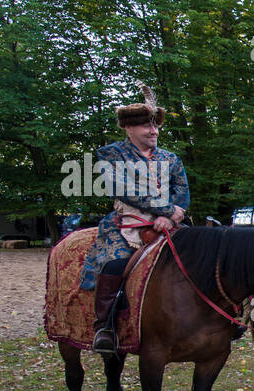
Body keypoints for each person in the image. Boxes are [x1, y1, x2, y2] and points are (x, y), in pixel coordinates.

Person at [80, 83, 190, 354]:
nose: (153, 131)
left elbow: (182, 191)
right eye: (146, 126)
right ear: (129, 128)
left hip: (169, 223)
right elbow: (123, 190)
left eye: (155, 126)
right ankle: (105, 327)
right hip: (126, 223)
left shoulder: (171, 158)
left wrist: (171, 218)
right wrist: (166, 211)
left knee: (200, 256)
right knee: (115, 264)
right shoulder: (111, 154)